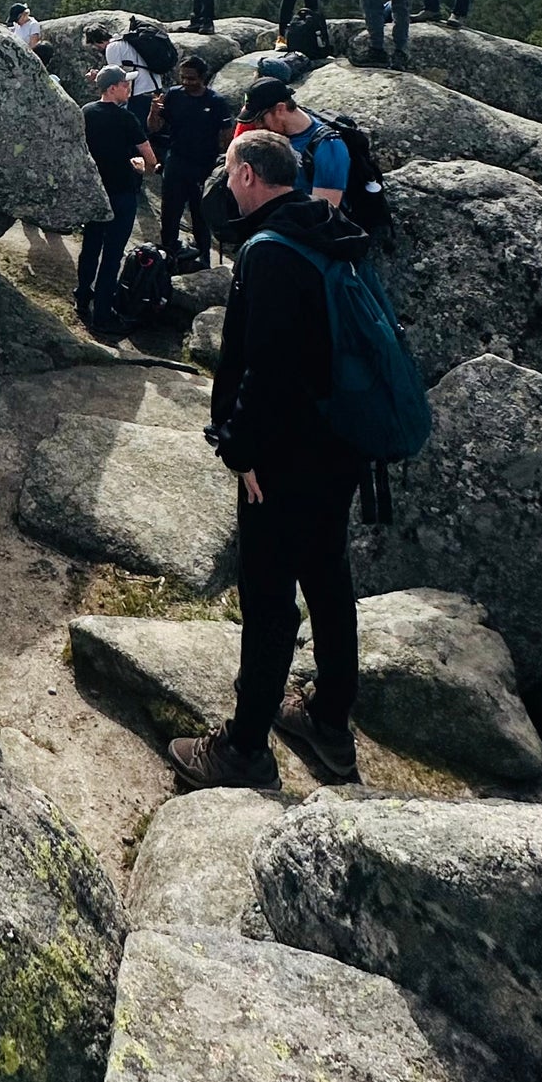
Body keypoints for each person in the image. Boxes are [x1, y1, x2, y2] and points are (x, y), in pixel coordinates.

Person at [168, 128, 369, 789]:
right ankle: (329, 721)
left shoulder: (270, 250)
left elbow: (267, 365)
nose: (225, 184)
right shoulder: (330, 228)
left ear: (250, 175)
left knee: (268, 598)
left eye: (229, 171)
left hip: (284, 457)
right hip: (340, 441)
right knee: (328, 580)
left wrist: (241, 449)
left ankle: (243, 748)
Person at [75, 68, 158, 331]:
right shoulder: (126, 118)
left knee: (90, 245)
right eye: (125, 84)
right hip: (121, 191)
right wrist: (138, 166)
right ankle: (102, 314)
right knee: (112, 254)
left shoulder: (86, 112)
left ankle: (82, 297)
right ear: (112, 88)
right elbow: (150, 159)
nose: (129, 89)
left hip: (95, 189)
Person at [148, 56, 229, 270]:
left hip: (204, 164)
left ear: (202, 77)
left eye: (191, 78)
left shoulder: (216, 101)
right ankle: (168, 255)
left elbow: (227, 134)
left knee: (200, 212)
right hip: (176, 160)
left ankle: (203, 257)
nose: (186, 82)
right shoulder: (173, 95)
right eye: (183, 77)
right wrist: (153, 112)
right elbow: (154, 128)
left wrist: (224, 161)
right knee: (170, 211)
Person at [236, 77, 348, 212]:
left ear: (280, 109)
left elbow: (324, 213)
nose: (258, 126)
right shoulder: (276, 134)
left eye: (261, 119)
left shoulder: (328, 146)